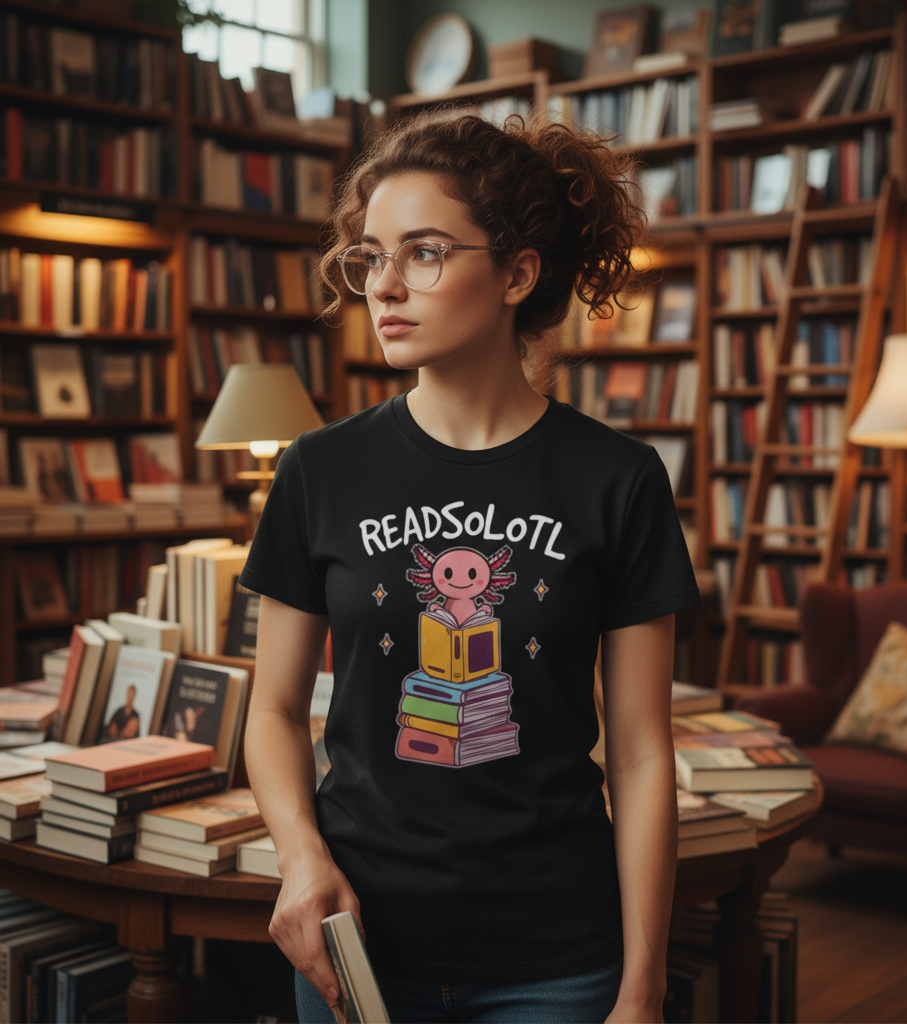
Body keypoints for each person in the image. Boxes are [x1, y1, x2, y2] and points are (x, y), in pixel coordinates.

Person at [240, 111, 700, 1024]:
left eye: (423, 253)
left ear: (518, 274)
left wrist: (641, 989)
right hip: (357, 943)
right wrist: (301, 858)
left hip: (557, 960)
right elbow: (275, 711)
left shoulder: (619, 480)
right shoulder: (318, 471)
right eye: (370, 256)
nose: (384, 287)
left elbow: (644, 754)